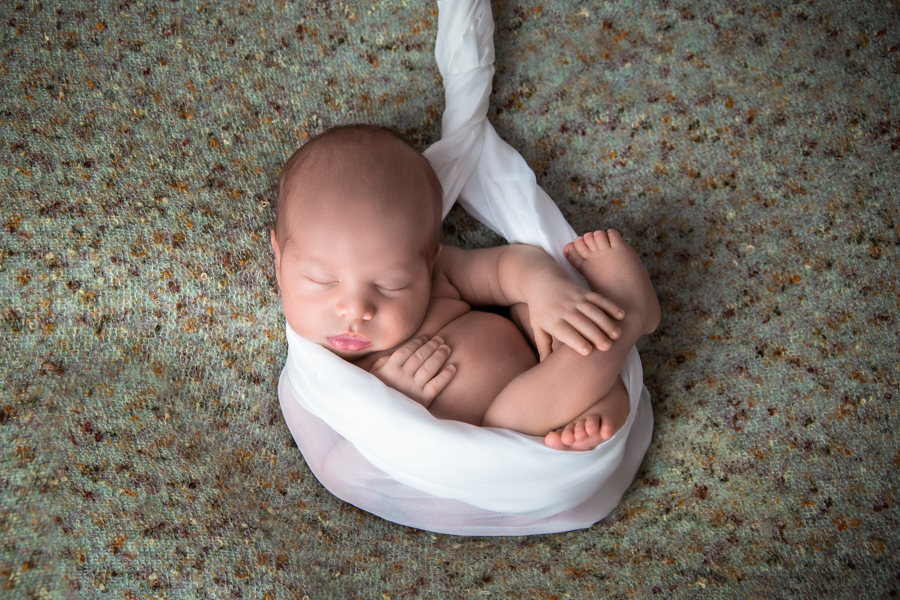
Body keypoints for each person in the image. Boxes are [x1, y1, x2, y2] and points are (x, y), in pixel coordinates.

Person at [271, 124, 660, 451]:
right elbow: (349, 456)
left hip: (543, 357)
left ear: (428, 261)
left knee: (540, 315)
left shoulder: (438, 275)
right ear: (279, 257)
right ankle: (630, 308)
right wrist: (390, 402)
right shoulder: (318, 381)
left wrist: (543, 289)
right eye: (322, 281)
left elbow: (506, 265)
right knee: (515, 414)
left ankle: (600, 392)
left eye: (392, 284)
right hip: (502, 430)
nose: (355, 310)